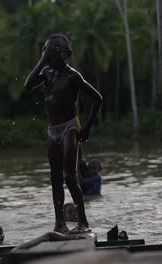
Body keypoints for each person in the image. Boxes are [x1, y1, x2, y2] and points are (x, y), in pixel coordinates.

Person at [24, 34, 103, 234]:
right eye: (47, 50)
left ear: (66, 54)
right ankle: (60, 222)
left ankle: (83, 221)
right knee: (55, 178)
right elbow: (27, 86)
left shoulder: (72, 76)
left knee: (69, 176)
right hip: (53, 130)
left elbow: (98, 99)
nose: (50, 54)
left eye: (54, 50)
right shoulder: (46, 73)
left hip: (69, 126)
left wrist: (87, 127)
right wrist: (42, 59)